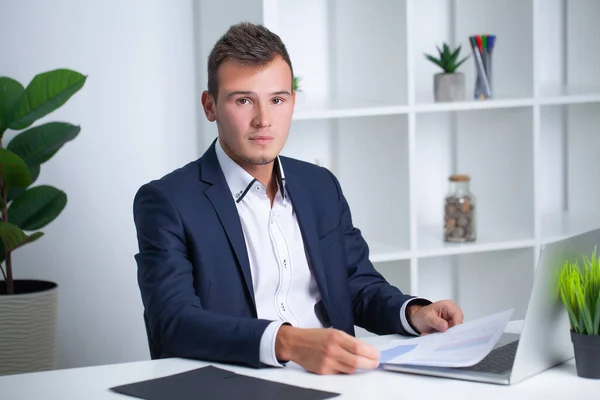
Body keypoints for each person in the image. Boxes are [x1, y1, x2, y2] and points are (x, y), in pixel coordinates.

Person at [133, 21, 464, 375]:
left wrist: (413, 313)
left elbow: (355, 284)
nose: (263, 120)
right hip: (239, 384)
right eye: (243, 100)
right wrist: (287, 342)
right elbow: (173, 323)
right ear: (210, 106)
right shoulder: (167, 201)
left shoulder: (320, 185)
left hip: (338, 379)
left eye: (277, 100)